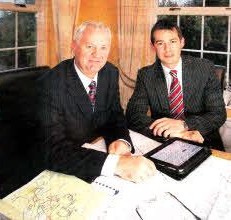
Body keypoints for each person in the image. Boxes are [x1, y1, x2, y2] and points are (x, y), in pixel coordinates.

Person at [34, 21, 156, 184]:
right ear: (74, 46)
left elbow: (114, 115)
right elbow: (54, 152)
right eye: (90, 46)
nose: (97, 55)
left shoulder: (109, 72)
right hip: (59, 171)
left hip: (93, 155)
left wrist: (120, 140)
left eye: (103, 48)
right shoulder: (50, 84)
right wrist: (116, 164)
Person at [126, 19, 227, 151]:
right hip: (164, 142)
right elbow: (134, 115)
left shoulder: (205, 68)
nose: (167, 49)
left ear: (182, 42)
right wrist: (171, 133)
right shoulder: (146, 75)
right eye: (160, 43)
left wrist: (184, 125)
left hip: (203, 141)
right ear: (153, 47)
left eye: (172, 41)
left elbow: (218, 113)